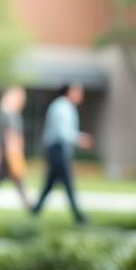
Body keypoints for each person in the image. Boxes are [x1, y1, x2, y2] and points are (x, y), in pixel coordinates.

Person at [32, 82, 91, 223]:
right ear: (69, 92)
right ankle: (78, 215)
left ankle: (36, 210)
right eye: (78, 92)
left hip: (59, 149)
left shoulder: (66, 106)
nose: (81, 95)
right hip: (56, 148)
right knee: (67, 182)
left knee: (50, 183)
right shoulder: (61, 107)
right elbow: (62, 132)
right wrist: (79, 138)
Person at [0, 85, 30, 211]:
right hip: (4, 153)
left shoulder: (14, 114)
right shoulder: (2, 113)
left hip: (13, 153)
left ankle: (27, 203)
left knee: (18, 179)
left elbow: (18, 134)